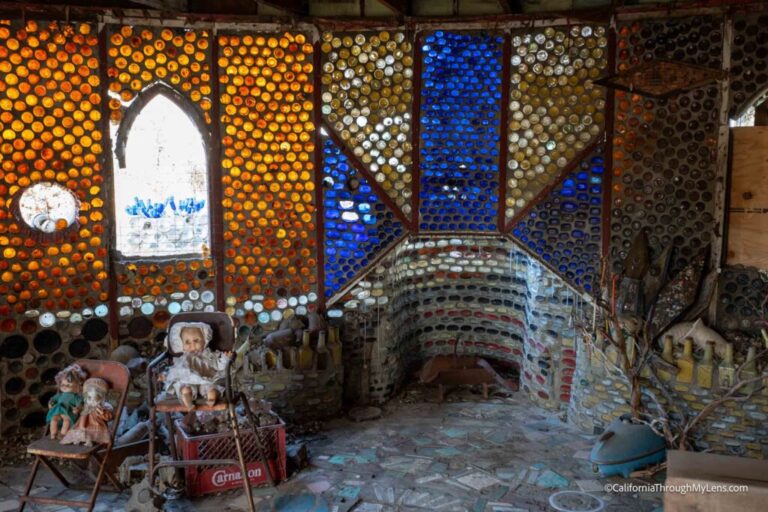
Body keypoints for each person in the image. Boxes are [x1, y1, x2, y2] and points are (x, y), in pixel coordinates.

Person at [160, 322, 231, 411]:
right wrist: (166, 376)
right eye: (187, 342)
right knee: (185, 388)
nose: (192, 345)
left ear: (205, 340)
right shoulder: (183, 358)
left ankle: (211, 397)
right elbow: (175, 371)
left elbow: (219, 365)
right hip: (188, 380)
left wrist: (225, 358)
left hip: (206, 379)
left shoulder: (209, 355)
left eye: (196, 341)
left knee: (210, 386)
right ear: (181, 344)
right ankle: (188, 403)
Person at [61, 377, 114, 447]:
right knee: (81, 430)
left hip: (97, 424)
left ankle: (90, 440)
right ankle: (81, 439)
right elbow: (83, 415)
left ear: (101, 398)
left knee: (91, 431)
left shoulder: (103, 406)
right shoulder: (87, 407)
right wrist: (81, 424)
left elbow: (108, 417)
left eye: (95, 399)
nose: (92, 401)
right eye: (89, 398)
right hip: (84, 425)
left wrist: (102, 412)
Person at [47, 364, 87, 440]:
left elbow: (80, 404)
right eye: (63, 384)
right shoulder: (60, 394)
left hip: (68, 411)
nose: (65, 386)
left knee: (66, 420)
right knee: (53, 419)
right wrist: (51, 403)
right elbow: (53, 399)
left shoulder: (75, 397)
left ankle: (63, 434)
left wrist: (77, 409)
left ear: (77, 386)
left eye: (68, 385)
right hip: (58, 410)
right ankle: (53, 433)